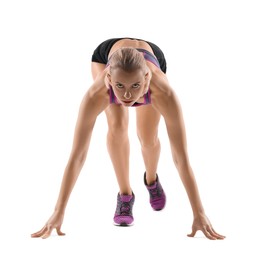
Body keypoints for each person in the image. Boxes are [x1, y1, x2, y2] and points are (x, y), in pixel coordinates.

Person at [31, 37, 225, 240]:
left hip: (152, 56)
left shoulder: (164, 92)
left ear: (148, 77)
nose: (126, 95)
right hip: (106, 55)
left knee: (148, 137)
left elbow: (181, 159)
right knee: (117, 126)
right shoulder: (97, 93)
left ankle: (151, 180)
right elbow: (77, 155)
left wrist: (199, 213)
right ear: (108, 79)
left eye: (135, 86)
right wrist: (59, 210)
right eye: (119, 86)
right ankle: (125, 195)